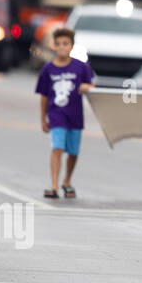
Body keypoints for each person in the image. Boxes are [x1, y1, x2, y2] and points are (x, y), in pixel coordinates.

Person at [35, 27, 96, 199]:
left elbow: (91, 87)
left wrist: (87, 87)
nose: (62, 47)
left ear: (71, 46)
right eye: (59, 44)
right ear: (54, 46)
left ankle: (67, 181)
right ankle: (54, 185)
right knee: (57, 147)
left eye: (66, 44)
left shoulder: (81, 67)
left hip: (75, 115)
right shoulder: (48, 69)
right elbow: (44, 95)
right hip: (56, 115)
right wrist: (43, 119)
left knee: (73, 151)